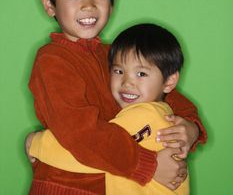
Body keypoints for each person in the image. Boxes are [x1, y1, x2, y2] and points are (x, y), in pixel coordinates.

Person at [27, 0, 207, 194]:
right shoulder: (52, 60)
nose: (88, 5)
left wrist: (190, 126)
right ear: (49, 4)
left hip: (113, 183)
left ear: (112, 2)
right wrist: (150, 165)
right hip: (67, 184)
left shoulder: (116, 54)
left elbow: (163, 90)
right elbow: (81, 134)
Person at [28, 23, 192, 195]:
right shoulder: (161, 111)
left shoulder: (144, 117)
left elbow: (93, 153)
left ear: (170, 81)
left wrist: (37, 143)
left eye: (141, 74)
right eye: (119, 71)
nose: (127, 83)